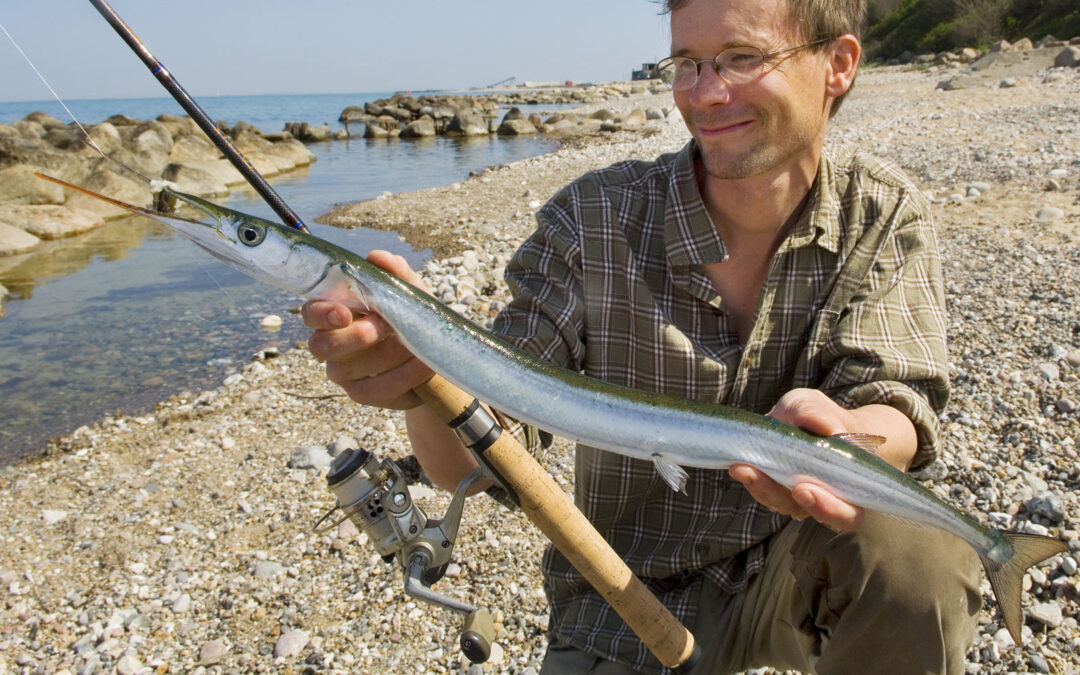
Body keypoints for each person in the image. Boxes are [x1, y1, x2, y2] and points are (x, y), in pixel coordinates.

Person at [302, 0, 983, 672]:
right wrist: (422, 375)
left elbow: (898, 402)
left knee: (919, 558)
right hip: (622, 599)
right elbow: (474, 458)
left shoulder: (881, 211)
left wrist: (850, 432)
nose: (706, 94)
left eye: (742, 58)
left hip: (801, 559)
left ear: (837, 64)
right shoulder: (592, 219)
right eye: (686, 63)